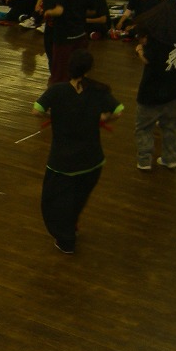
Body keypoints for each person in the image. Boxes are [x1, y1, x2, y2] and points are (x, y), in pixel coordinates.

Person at [33, 49, 123, 254]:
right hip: (92, 161)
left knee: (54, 202)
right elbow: (118, 111)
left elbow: (37, 110)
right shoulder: (98, 91)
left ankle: (66, 239)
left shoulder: (57, 91)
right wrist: (102, 118)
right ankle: (71, 226)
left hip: (62, 163)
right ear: (88, 69)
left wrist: (55, 116)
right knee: (78, 199)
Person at [132, 0, 176, 171]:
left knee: (144, 128)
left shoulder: (156, 39)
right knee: (172, 128)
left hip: (150, 93)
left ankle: (144, 160)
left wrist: (139, 51)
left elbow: (148, 60)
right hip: (174, 91)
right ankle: (170, 158)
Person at [43, 0, 91, 84]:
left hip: (64, 35)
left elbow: (59, 10)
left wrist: (48, 12)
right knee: (78, 68)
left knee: (60, 70)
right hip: (80, 34)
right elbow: (90, 10)